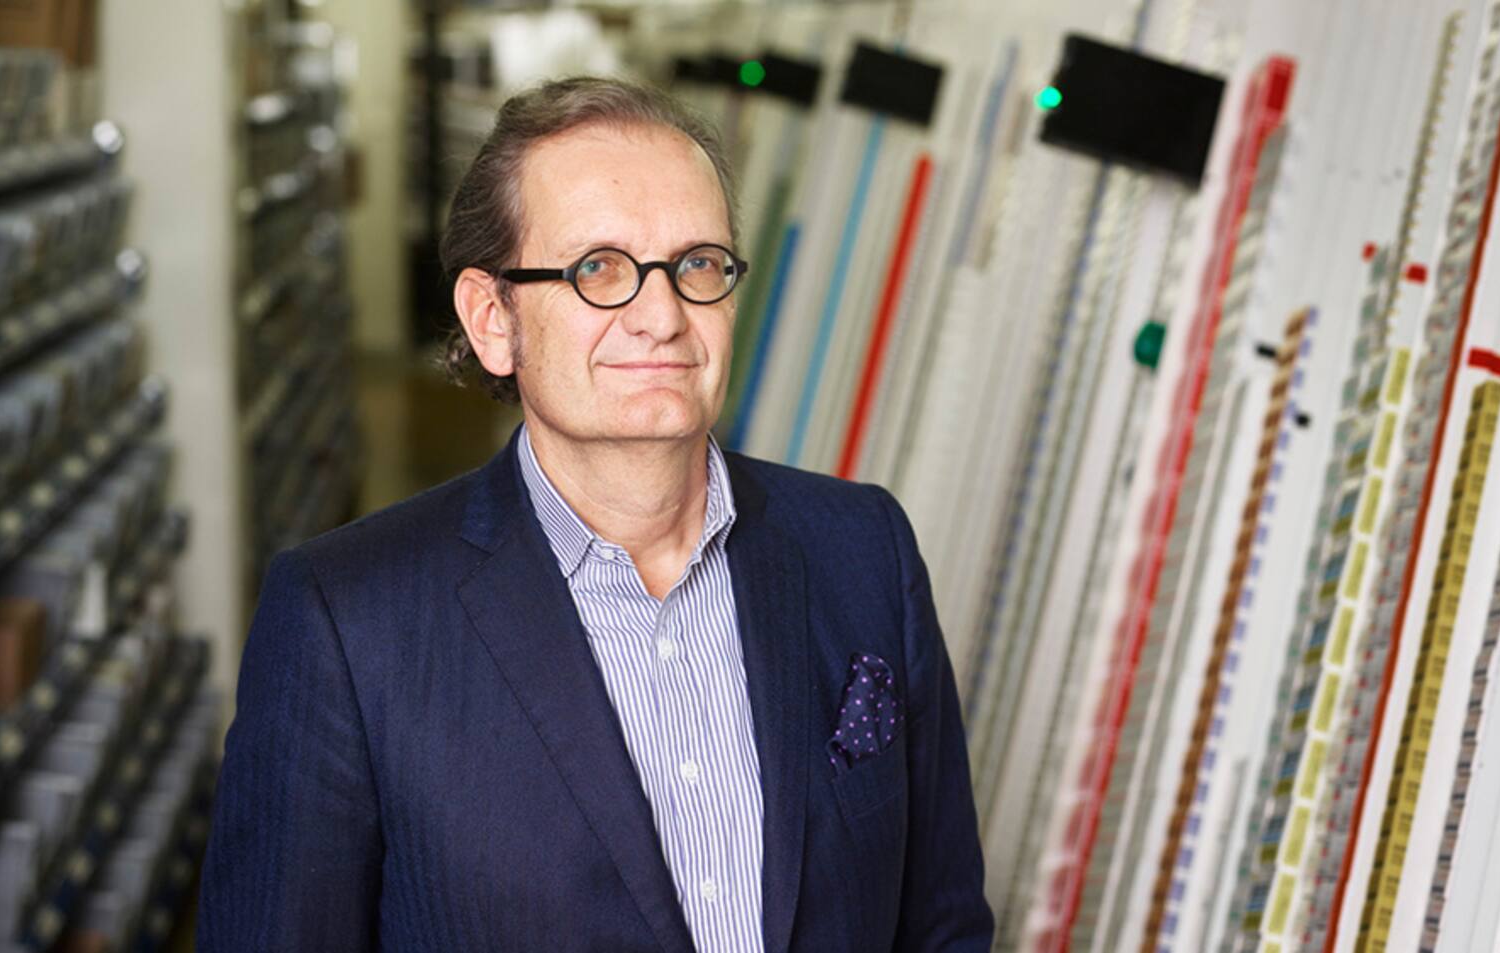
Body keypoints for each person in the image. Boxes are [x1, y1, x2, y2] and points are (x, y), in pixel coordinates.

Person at [197, 76, 993, 952]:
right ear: (492, 319)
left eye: (696, 264)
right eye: (598, 269)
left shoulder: (864, 549)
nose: (662, 316)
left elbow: (942, 924)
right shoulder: (345, 624)